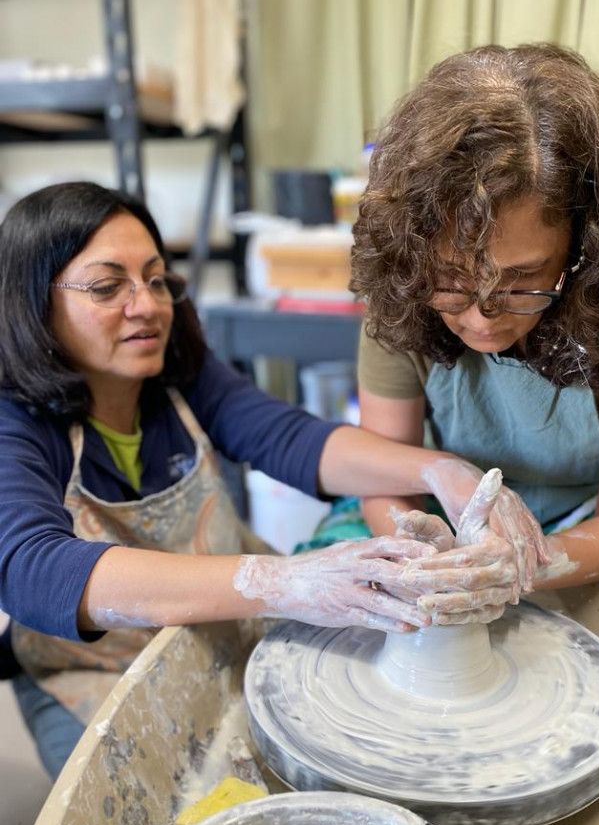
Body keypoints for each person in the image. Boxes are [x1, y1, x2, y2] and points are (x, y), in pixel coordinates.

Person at [0, 181, 544, 779]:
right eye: (108, 288)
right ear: (31, 302)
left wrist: (440, 469)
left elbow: (291, 440)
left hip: (218, 627)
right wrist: (286, 580)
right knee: (156, 816)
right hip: (93, 668)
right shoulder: (14, 420)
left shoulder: (176, 376)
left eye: (156, 280)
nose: (147, 306)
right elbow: (30, 569)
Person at [350, 42, 599, 656]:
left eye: (521, 279)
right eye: (451, 280)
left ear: (585, 242)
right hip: (442, 511)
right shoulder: (406, 279)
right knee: (331, 614)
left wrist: (524, 564)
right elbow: (383, 474)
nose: (481, 315)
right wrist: (424, 560)